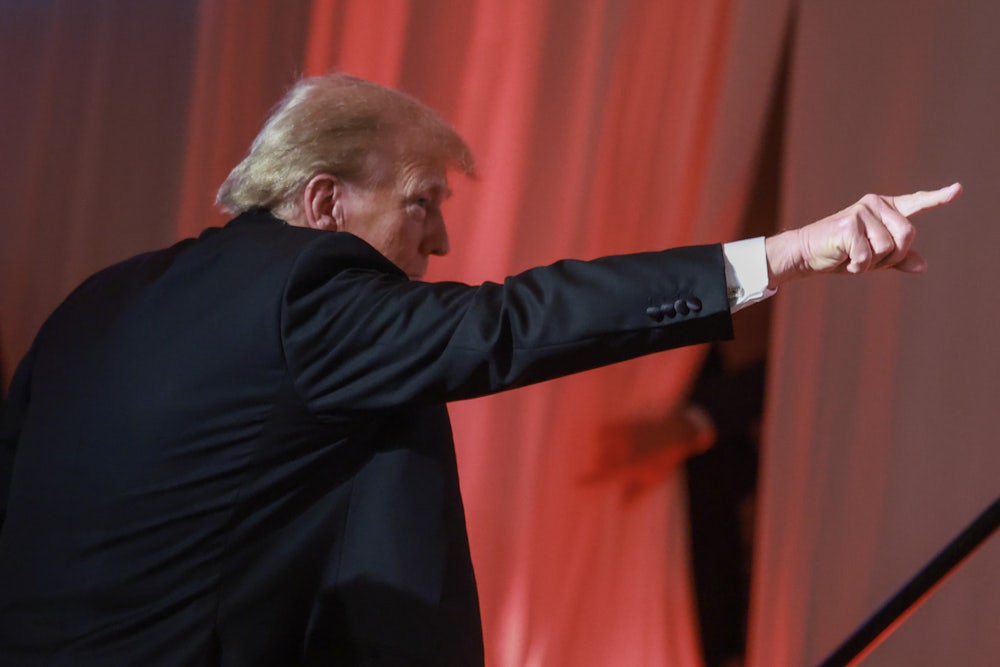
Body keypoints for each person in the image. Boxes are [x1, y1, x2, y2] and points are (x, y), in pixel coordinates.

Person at [0, 73, 960, 666]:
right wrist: (788, 253)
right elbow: (515, 321)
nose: (444, 239)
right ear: (325, 198)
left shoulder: (100, 299)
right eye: (423, 204)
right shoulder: (309, 294)